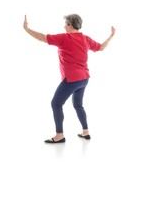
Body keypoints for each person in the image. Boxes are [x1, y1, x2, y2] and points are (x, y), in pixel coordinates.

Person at [23, 14, 115, 143]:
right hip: (84, 79)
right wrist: (111, 36)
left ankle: (59, 135)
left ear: (70, 25)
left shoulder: (64, 38)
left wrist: (27, 29)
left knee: (56, 104)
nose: (64, 26)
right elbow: (101, 47)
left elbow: (43, 38)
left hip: (72, 79)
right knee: (78, 105)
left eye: (65, 24)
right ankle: (85, 131)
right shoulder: (85, 39)